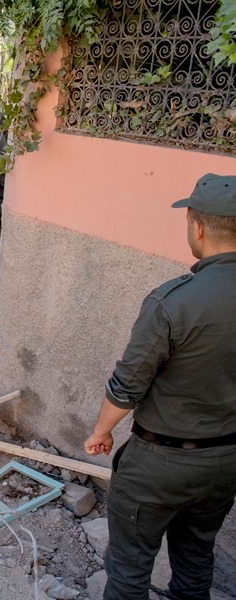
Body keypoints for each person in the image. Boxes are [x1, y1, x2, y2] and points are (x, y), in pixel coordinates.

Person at [84, 173, 236, 600]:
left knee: (129, 572)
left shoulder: (173, 301)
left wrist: (100, 432)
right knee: (196, 560)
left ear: (198, 227)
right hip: (225, 462)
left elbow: (126, 385)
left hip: (160, 463)